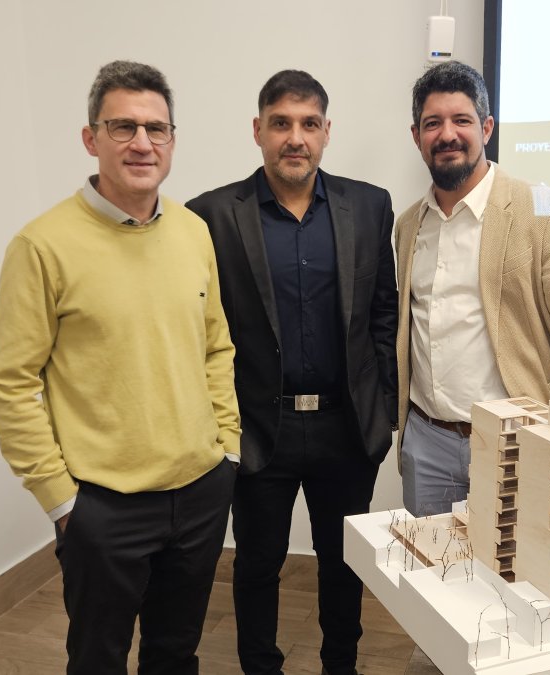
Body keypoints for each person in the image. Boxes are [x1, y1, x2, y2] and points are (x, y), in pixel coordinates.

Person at [0, 60, 240, 675]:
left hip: (199, 492)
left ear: (172, 139)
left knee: (175, 654)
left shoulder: (193, 232)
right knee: (97, 658)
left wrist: (226, 449)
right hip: (102, 508)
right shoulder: (41, 246)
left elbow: (216, 347)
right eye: (123, 127)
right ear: (90, 138)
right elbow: (8, 387)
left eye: (157, 128)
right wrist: (62, 502)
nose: (142, 143)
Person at [186, 69, 398, 675]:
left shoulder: (369, 206)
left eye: (309, 124)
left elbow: (383, 313)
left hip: (346, 427)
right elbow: (202, 330)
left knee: (342, 563)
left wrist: (383, 406)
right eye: (281, 123)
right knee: (257, 564)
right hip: (260, 429)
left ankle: (340, 665)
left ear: (327, 132)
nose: (295, 138)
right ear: (258, 131)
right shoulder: (210, 215)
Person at [395, 60, 550, 517]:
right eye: (433, 123)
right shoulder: (408, 225)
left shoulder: (547, 211)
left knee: (518, 564)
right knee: (428, 564)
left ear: (487, 128)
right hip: (428, 443)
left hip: (520, 441)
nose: (447, 134)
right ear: (417, 136)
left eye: (462, 120)